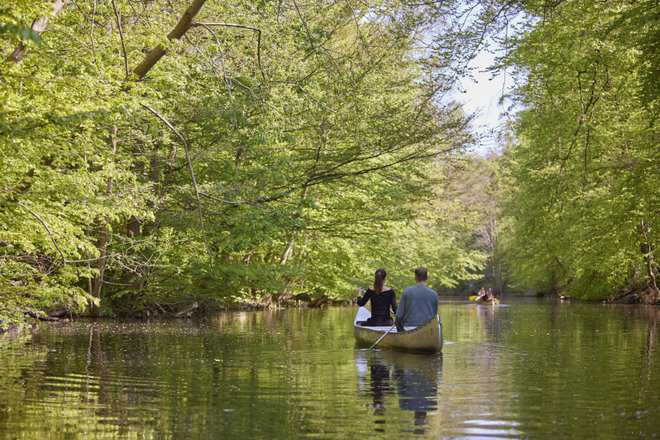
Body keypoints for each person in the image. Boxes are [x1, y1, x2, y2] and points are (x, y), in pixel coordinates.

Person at [395, 267, 438, 331]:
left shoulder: (406, 292)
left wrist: (400, 331)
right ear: (426, 278)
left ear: (415, 277)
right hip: (427, 329)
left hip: (409, 328)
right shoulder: (434, 294)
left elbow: (399, 317)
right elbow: (434, 317)